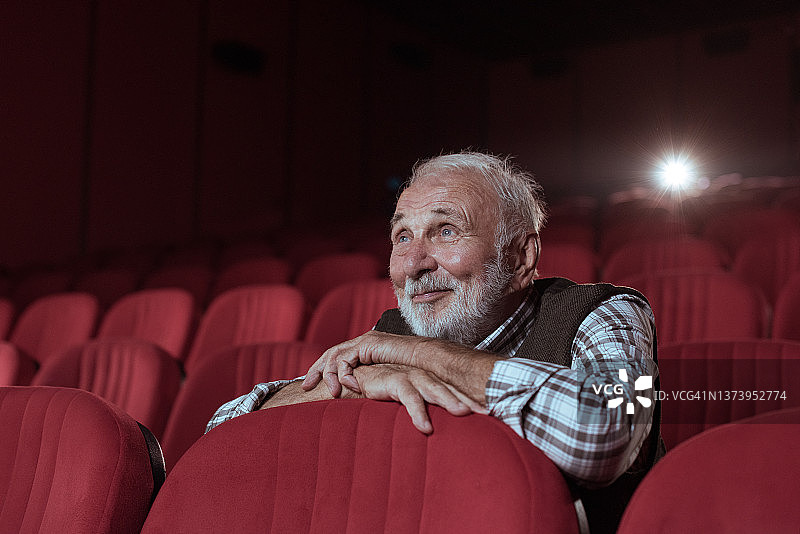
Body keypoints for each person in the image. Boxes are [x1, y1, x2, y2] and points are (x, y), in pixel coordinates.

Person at [207, 151, 663, 534]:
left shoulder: (608, 312)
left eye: (446, 231)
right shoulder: (382, 345)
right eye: (402, 237)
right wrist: (346, 386)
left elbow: (605, 433)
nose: (414, 264)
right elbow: (220, 435)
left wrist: (417, 355)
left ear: (521, 257)